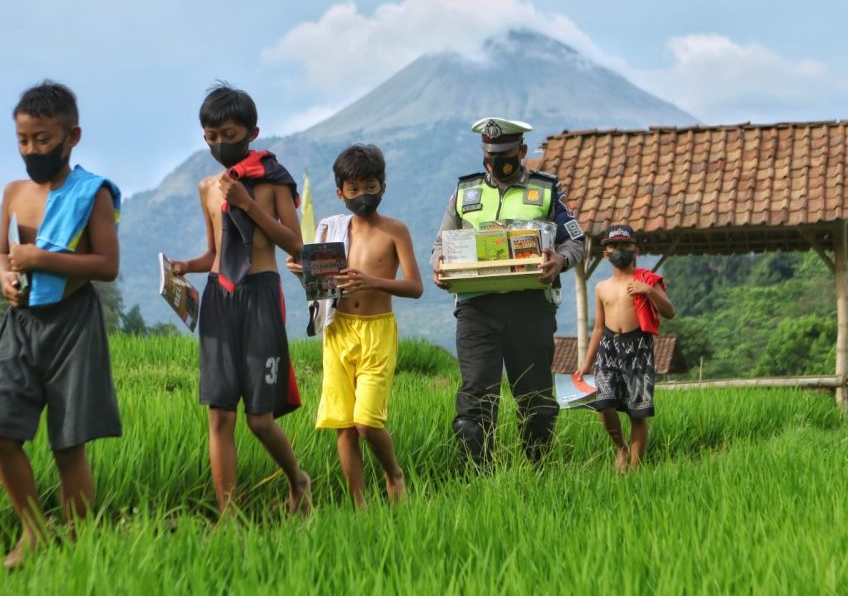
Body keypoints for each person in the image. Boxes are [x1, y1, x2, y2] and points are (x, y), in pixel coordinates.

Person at [0, 81, 122, 568]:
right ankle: (34, 530)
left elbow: (106, 266)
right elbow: (3, 256)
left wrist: (42, 257)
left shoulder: (92, 194)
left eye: (43, 139)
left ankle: (79, 550)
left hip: (72, 325)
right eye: (23, 140)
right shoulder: (13, 193)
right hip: (19, 323)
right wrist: (5, 276)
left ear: (71, 136)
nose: (31, 149)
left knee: (68, 444)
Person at [169, 83, 311, 517]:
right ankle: (228, 517)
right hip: (218, 298)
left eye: (228, 135)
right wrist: (185, 267)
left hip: (261, 294)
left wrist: (248, 204)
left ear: (252, 132)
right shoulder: (206, 187)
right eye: (210, 138)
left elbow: (296, 246)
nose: (218, 145)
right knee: (220, 416)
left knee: (259, 419)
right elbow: (214, 252)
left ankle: (297, 478)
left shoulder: (273, 180)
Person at [430, 117, 585, 468]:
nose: (495, 161)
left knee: (537, 404)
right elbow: (440, 244)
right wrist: (439, 266)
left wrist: (559, 260)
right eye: (489, 154)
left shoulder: (546, 191)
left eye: (504, 154)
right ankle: (479, 481)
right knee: (474, 406)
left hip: (530, 307)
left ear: (522, 152)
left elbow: (575, 240)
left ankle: (537, 473)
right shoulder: (465, 194)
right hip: (476, 309)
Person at [287, 144, 423, 508]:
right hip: (338, 329)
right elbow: (322, 289)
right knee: (344, 425)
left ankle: (393, 472)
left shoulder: (396, 231)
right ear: (340, 192)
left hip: (377, 331)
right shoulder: (331, 230)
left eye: (370, 187)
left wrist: (370, 281)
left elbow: (415, 286)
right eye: (353, 189)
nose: (362, 195)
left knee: (366, 421)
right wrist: (304, 273)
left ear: (382, 186)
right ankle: (358, 506)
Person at [572, 224, 675, 472]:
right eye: (613, 246)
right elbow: (597, 328)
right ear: (605, 252)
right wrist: (585, 364)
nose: (620, 251)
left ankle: (635, 469)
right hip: (609, 347)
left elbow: (669, 312)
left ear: (635, 249)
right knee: (604, 404)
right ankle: (621, 447)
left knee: (637, 411)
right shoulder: (601, 287)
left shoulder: (646, 281)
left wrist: (648, 291)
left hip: (638, 347)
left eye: (625, 246)